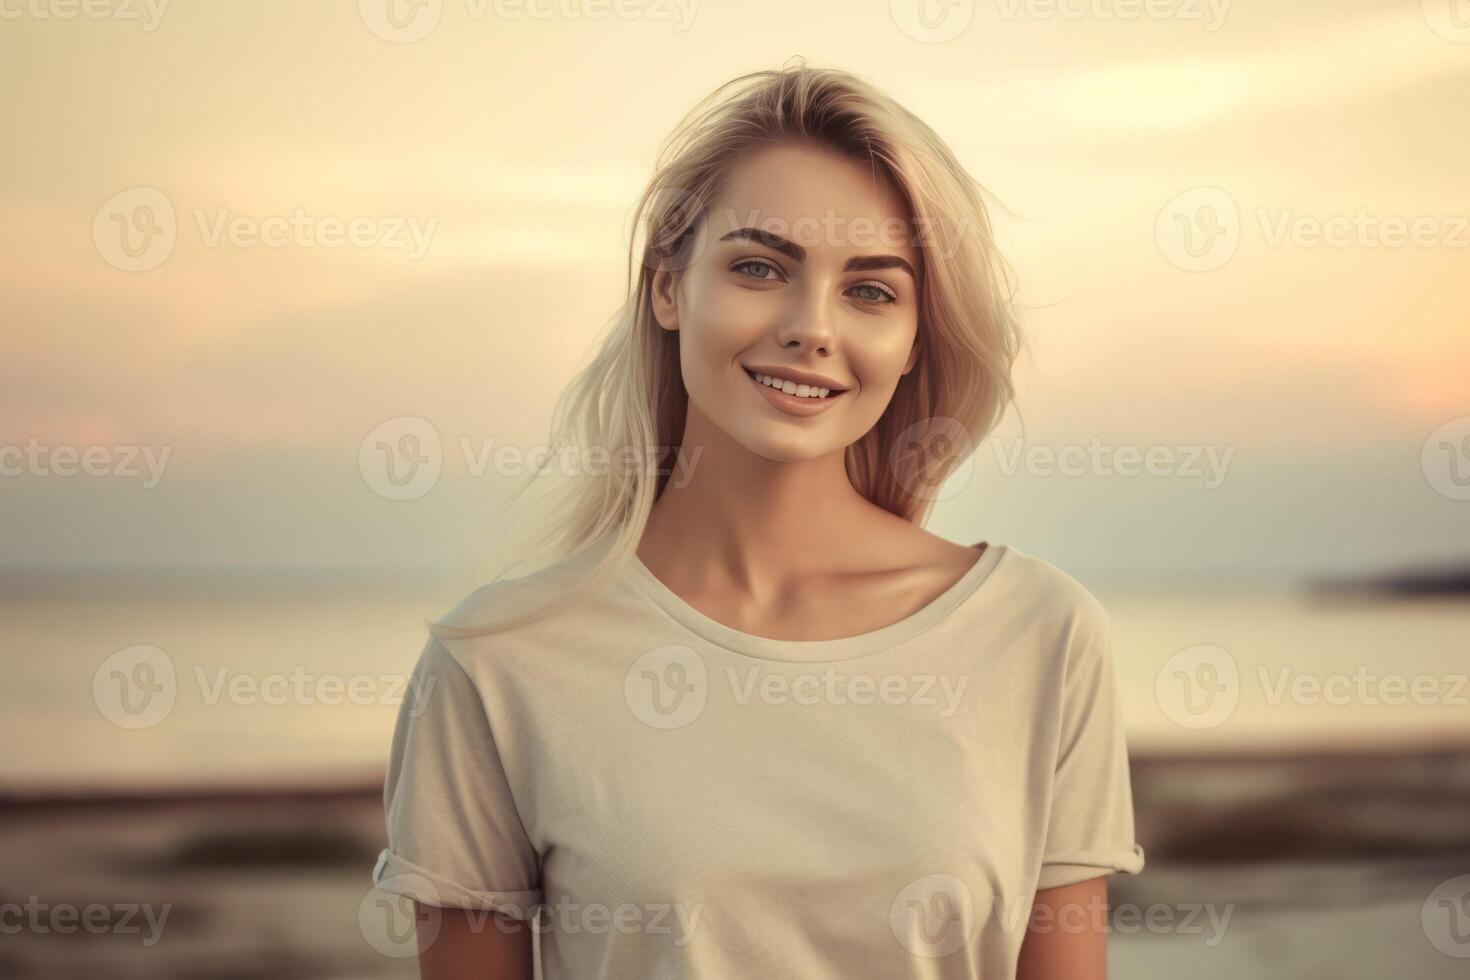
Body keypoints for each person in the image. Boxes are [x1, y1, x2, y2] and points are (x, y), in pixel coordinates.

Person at [372, 59, 1145, 980]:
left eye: (871, 290)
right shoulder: (498, 662)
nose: (811, 327)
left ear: (912, 343)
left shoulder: (1039, 634)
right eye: (758, 267)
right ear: (669, 286)